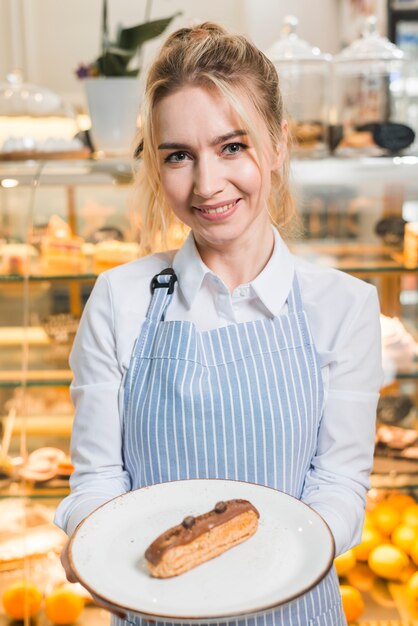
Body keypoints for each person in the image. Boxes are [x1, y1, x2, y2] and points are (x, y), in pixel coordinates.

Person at [55, 22, 383, 626]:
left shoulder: (345, 307)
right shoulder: (119, 299)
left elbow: (339, 486)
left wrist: (262, 569)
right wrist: (90, 544)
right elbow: (97, 479)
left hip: (297, 610)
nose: (207, 185)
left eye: (233, 147)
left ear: (279, 145)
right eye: (179, 156)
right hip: (156, 611)